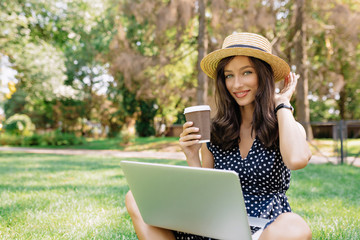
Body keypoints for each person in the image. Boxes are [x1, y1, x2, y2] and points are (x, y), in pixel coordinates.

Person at [125, 32, 312, 240]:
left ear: (264, 75)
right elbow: (205, 195)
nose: (236, 84)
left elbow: (296, 160)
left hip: (262, 230)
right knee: (137, 197)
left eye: (247, 72)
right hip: (214, 226)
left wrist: (282, 102)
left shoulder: (285, 126)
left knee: (296, 227)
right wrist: (192, 155)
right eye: (229, 75)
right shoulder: (215, 131)